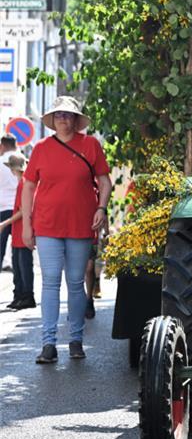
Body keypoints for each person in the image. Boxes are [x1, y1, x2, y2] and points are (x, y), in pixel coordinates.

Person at [22, 96, 112, 363]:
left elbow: (104, 181)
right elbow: (28, 187)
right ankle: (48, 344)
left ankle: (76, 340)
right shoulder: (41, 148)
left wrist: (102, 208)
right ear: (53, 119)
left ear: (76, 119)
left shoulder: (90, 145)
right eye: (59, 115)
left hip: (81, 223)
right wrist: (26, 225)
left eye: (68, 115)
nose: (63, 119)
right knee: (50, 282)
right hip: (47, 224)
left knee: (75, 283)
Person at [0, 153, 35, 310]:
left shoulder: (24, 183)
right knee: (18, 264)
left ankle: (27, 296)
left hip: (22, 230)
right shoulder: (22, 182)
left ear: (14, 169)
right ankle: (19, 295)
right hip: (18, 231)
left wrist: (4, 223)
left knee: (24, 265)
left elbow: (23, 210)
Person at [0, 133, 18, 272]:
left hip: (2, 208)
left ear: (2, 146)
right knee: (19, 246)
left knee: (1, 245)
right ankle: (18, 272)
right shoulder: (22, 160)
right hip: (19, 208)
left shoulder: (0, 161)